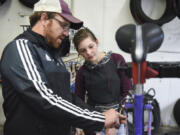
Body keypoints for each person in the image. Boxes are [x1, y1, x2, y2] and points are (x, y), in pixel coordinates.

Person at [0, 0, 126, 135]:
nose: (66, 33)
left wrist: (100, 114)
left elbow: (67, 98)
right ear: (44, 18)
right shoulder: (21, 48)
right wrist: (99, 119)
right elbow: (44, 98)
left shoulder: (54, 57)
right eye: (64, 25)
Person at [73, 27, 132, 135]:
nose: (89, 52)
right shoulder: (82, 72)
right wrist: (91, 129)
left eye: (91, 46)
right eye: (83, 50)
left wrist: (115, 123)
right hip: (95, 124)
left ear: (96, 42)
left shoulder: (117, 59)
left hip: (118, 120)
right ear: (79, 52)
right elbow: (79, 102)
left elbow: (127, 92)